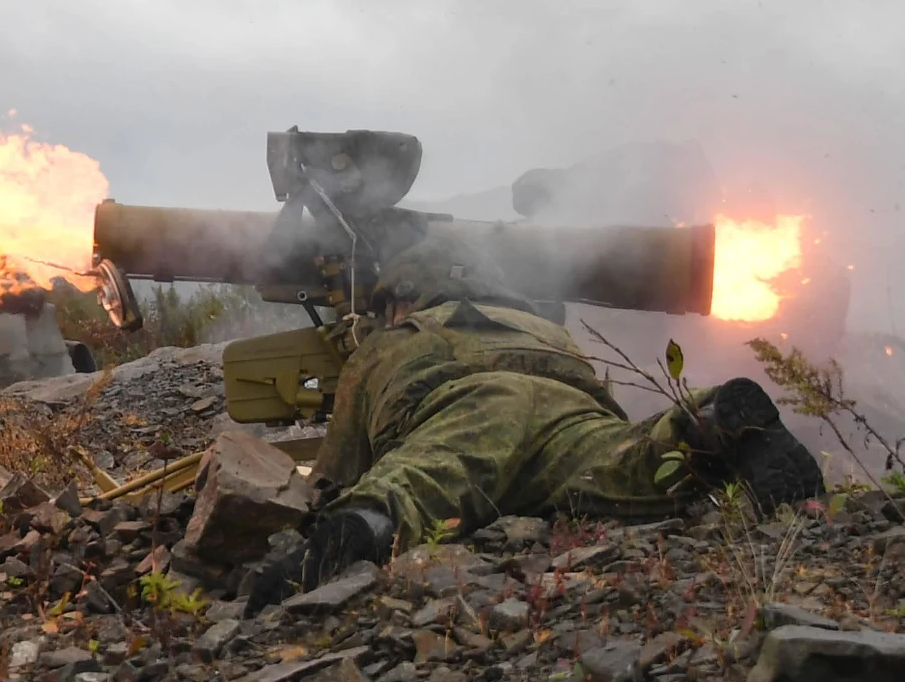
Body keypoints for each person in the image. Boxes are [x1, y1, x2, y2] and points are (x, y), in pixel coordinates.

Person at [243, 232, 824, 616]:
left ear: (403, 299)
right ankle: (707, 421)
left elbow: (338, 467)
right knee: (628, 462)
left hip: (467, 407)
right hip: (571, 408)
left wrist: (325, 503)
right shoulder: (542, 328)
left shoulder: (396, 338)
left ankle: (356, 535)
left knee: (418, 483)